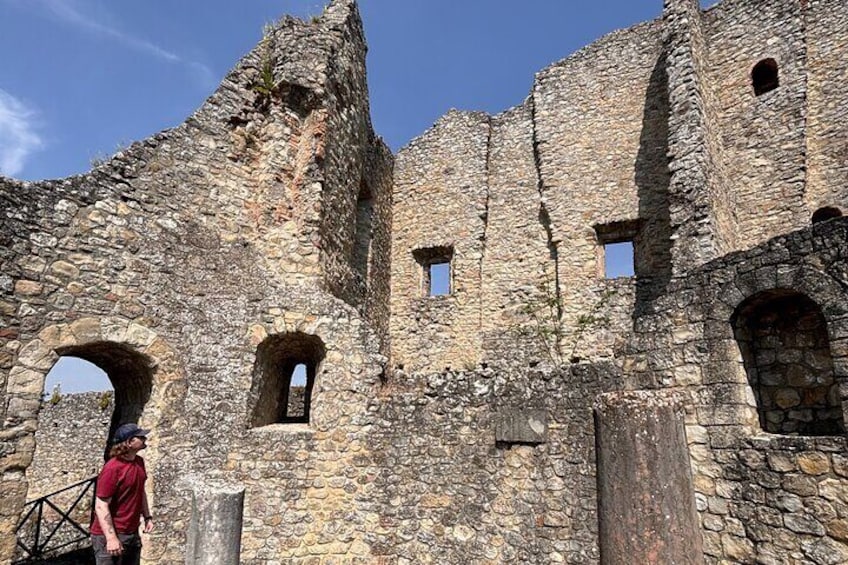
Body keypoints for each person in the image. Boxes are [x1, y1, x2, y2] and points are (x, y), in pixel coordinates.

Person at [90, 423, 154, 565]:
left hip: (131, 533)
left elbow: (140, 490)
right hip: (108, 534)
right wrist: (111, 538)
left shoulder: (139, 462)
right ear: (130, 442)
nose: (144, 438)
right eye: (140, 436)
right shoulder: (113, 468)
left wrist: (147, 516)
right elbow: (101, 505)